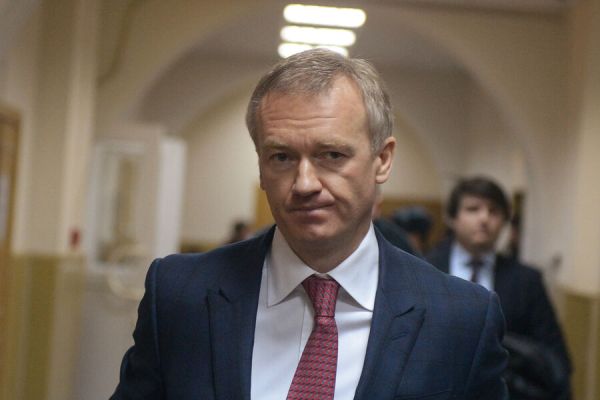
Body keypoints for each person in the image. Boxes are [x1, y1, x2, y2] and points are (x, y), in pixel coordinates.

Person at [111, 49, 508, 399]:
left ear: (382, 160)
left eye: (331, 155)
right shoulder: (180, 296)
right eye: (281, 157)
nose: (304, 184)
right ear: (261, 166)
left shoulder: (461, 318)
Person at [426, 176, 572, 399]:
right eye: (473, 209)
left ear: (505, 221)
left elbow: (555, 357)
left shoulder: (526, 281)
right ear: (452, 218)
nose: (484, 218)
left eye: (494, 211)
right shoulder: (425, 270)